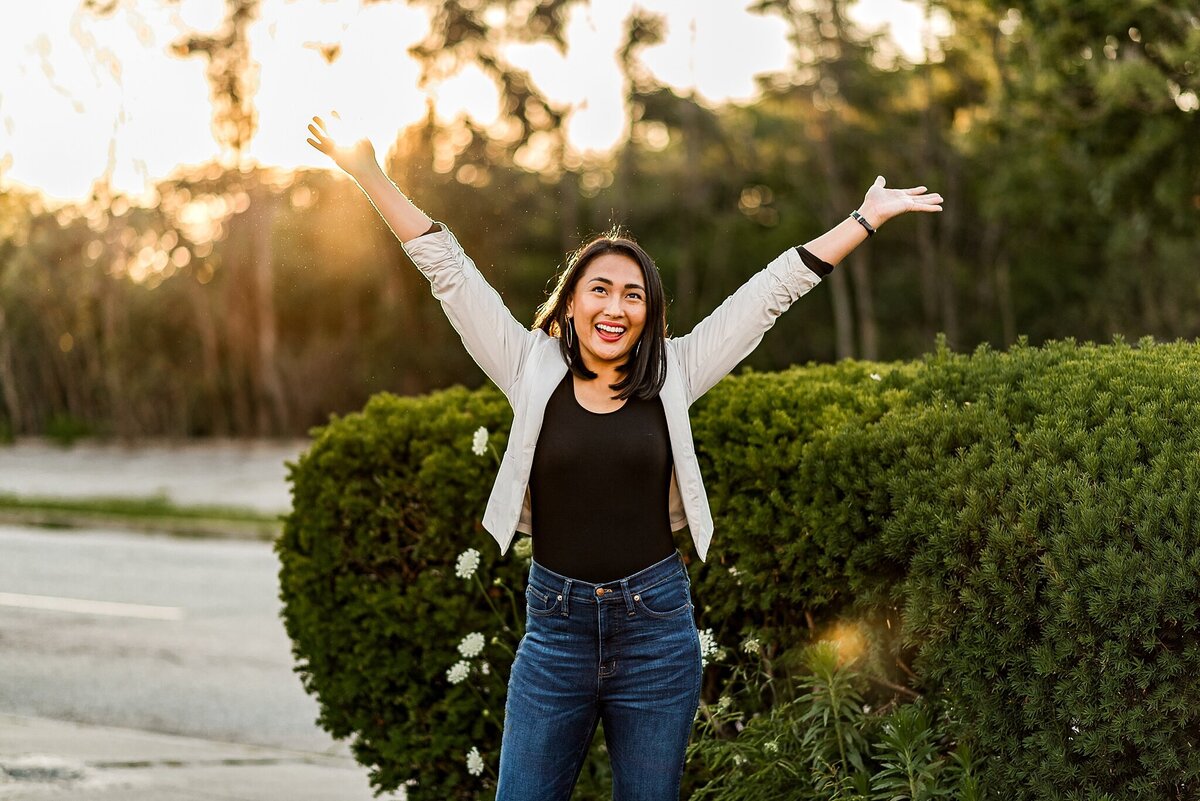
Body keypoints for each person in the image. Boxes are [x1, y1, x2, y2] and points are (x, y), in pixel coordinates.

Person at [306, 113, 942, 800]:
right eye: (600, 288)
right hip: (555, 630)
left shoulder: (676, 370)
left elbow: (770, 294)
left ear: (650, 313)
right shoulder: (527, 363)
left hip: (656, 630)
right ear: (572, 302)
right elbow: (447, 270)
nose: (615, 305)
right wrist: (368, 172)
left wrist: (865, 218)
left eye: (632, 294)